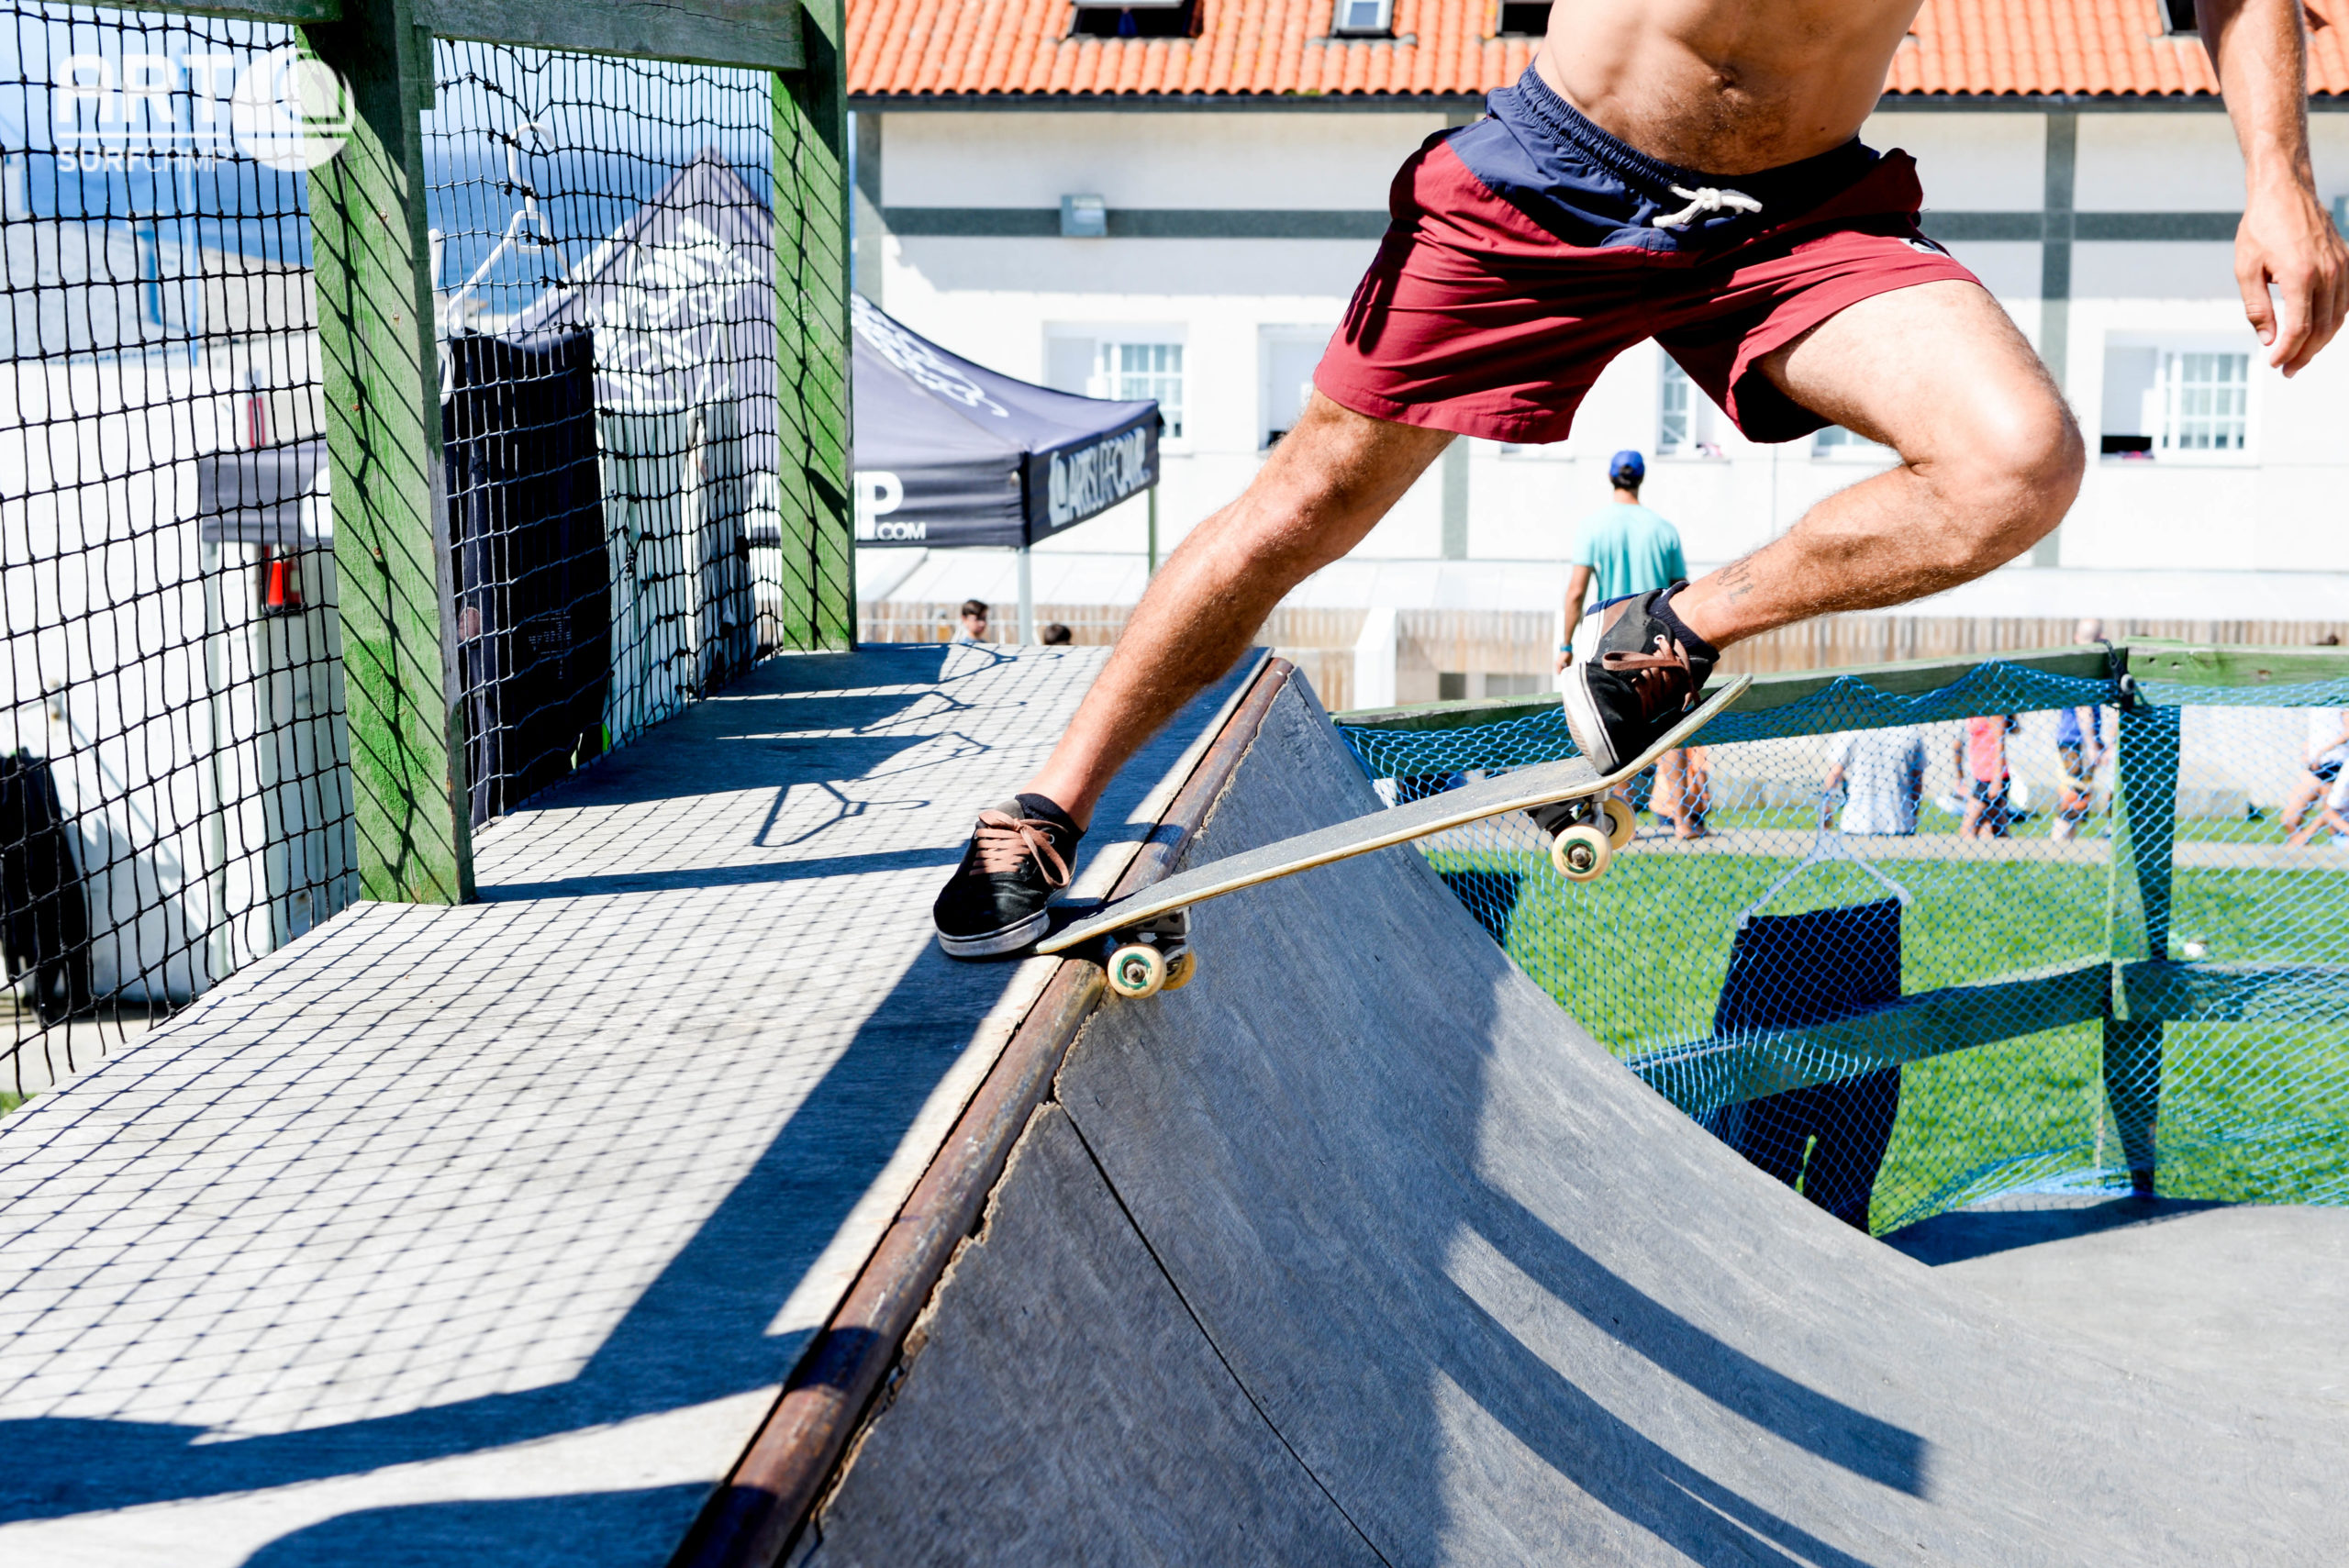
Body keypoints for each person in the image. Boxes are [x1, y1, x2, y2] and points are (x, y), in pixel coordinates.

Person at [932, 0, 2347, 958]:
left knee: (2016, 465)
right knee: (1311, 500)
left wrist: (2279, 175)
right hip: (1553, 182)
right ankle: (1052, 802)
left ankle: (1670, 631)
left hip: (1796, 217)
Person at [1555, 452, 1709, 838]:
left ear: (1610, 478)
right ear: (1641, 479)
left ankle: (1622, 820)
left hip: (1611, 641)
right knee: (1671, 727)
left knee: (1614, 726)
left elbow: (1576, 592)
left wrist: (1565, 644)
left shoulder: (1594, 526)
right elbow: (1683, 591)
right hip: (1661, 642)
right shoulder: (1663, 530)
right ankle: (1682, 820)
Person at [2281, 635, 2347, 837]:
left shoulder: (2342, 693)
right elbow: (2320, 728)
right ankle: (2302, 845)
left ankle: (2304, 844)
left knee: (2332, 819)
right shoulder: (2317, 693)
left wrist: (2323, 750)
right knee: (2289, 819)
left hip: (2334, 762)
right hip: (2315, 763)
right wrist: (2308, 747)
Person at [2052, 617, 2108, 843]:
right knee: (2075, 796)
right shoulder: (2084, 669)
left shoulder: (2075, 664)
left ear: (2076, 638)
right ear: (2101, 639)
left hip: (2074, 740)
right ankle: (2059, 846)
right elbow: (2083, 709)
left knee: (2080, 795)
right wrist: (2093, 744)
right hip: (2076, 741)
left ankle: (2066, 847)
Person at [1821, 725, 1924, 835]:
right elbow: (1917, 781)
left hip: (1857, 823)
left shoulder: (1852, 728)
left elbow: (1835, 772)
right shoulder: (1910, 731)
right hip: (1901, 822)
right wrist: (1913, 815)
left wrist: (1826, 808)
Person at [1958, 715, 2017, 840]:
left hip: (1991, 777)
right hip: (1980, 774)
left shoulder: (1994, 711)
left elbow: (1999, 744)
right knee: (1994, 827)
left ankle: (1969, 857)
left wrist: (1997, 781)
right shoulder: (1977, 708)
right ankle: (2010, 856)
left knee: (1968, 829)